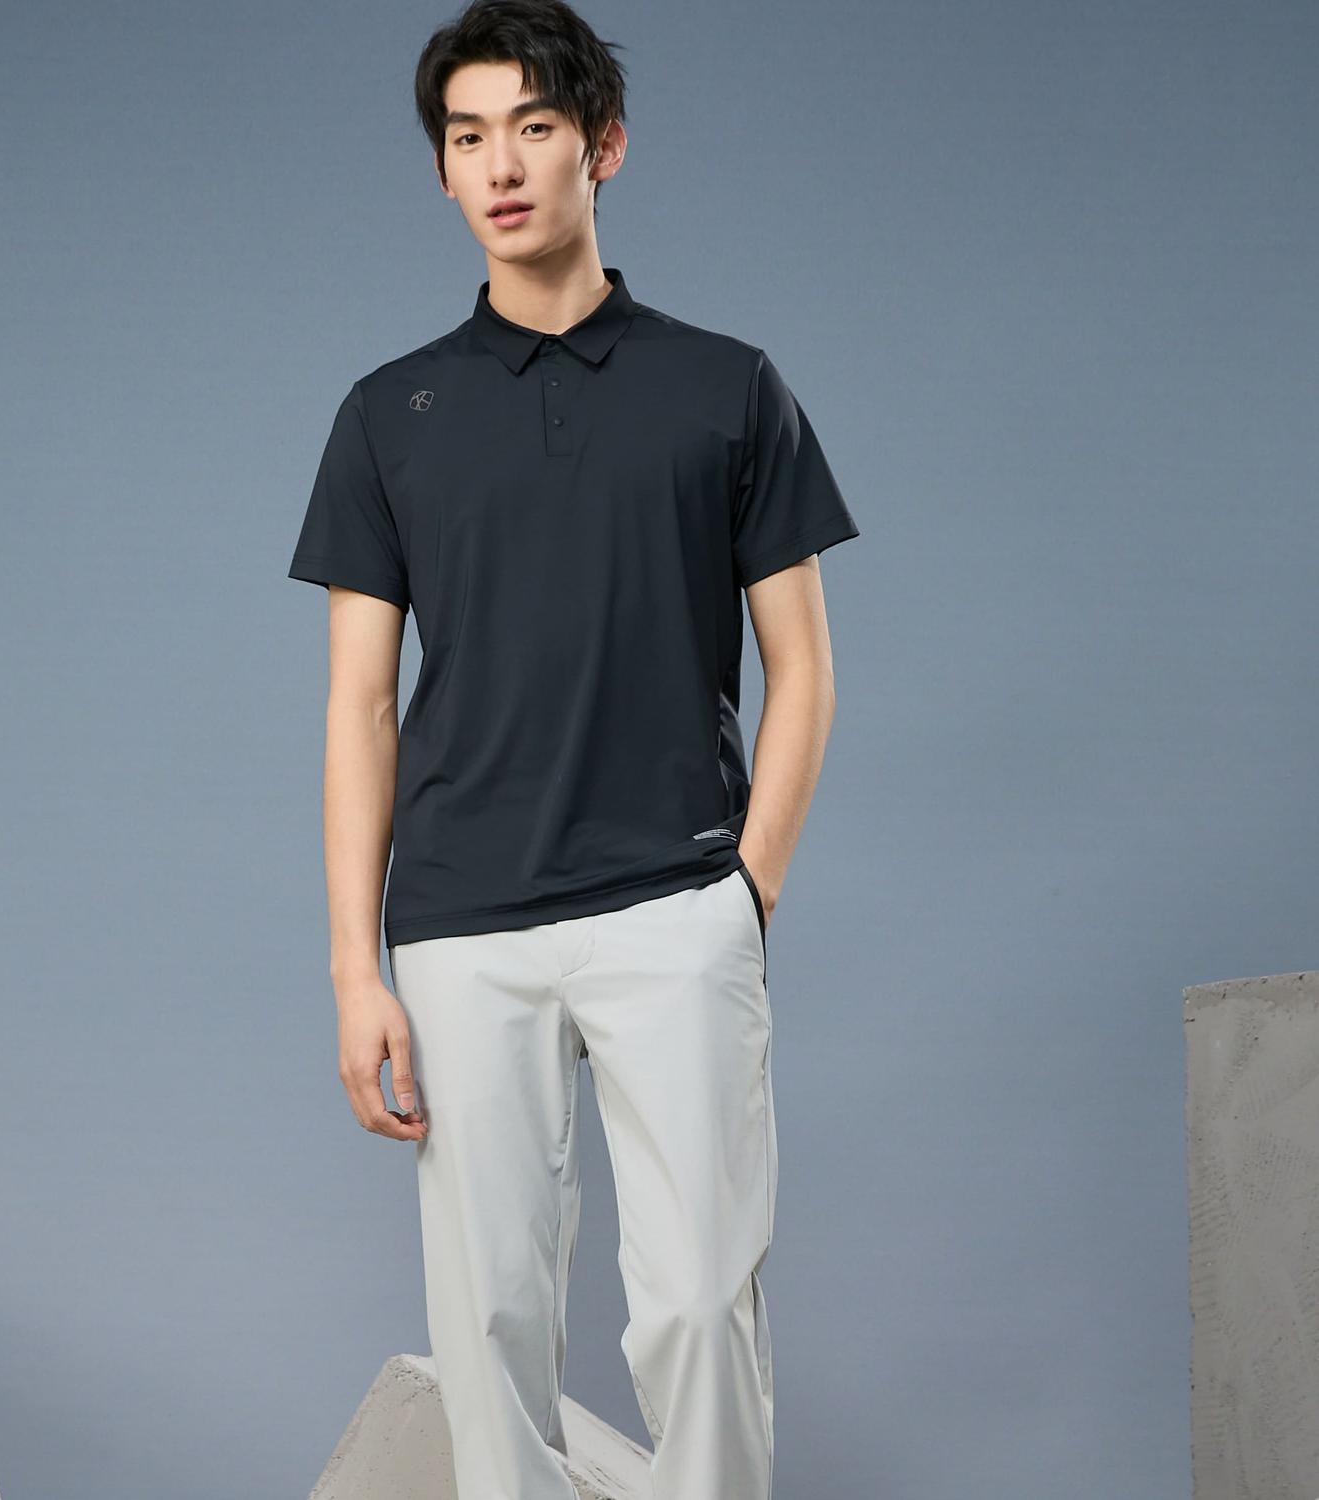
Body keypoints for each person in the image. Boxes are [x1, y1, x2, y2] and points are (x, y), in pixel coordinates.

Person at [287, 2, 859, 1494]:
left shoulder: (727, 385)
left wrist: (748, 893)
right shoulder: (386, 416)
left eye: (534, 128)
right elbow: (358, 706)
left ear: (602, 146)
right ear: (441, 167)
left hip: (675, 903)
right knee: (489, 1327)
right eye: (468, 136)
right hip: (461, 926)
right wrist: (356, 969)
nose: (501, 165)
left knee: (699, 1308)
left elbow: (804, 667)